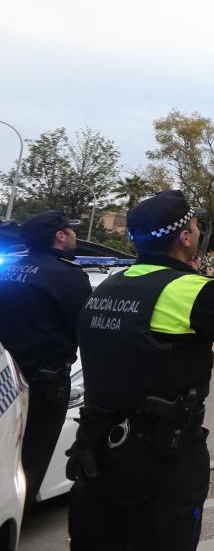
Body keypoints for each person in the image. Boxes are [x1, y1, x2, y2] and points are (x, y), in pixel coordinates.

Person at [68, 190, 214, 550]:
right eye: (197, 224)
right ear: (185, 237)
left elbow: (189, 314)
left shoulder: (115, 282)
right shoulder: (192, 289)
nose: (199, 230)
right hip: (161, 457)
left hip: (99, 449)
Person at [0, 210, 91, 508]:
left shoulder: (7, 270)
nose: (75, 235)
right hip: (43, 386)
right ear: (60, 236)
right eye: (71, 230)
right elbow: (85, 327)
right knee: (30, 463)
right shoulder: (68, 276)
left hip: (6, 376)